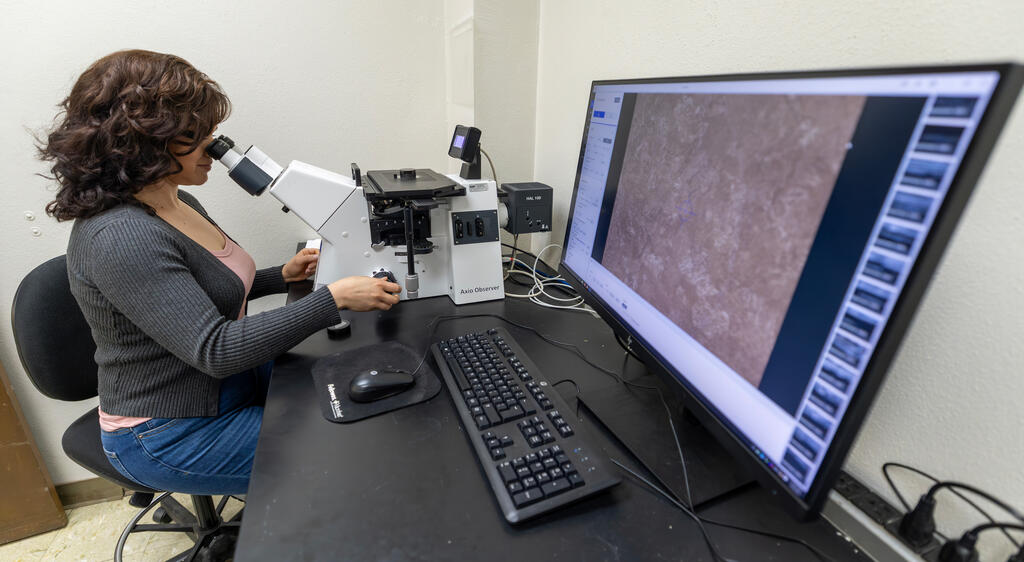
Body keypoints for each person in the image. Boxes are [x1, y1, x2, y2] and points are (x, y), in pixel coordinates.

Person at [38, 49, 402, 496]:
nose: (213, 145)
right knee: (348, 452)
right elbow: (215, 348)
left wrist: (280, 276)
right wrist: (332, 300)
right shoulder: (120, 235)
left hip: (228, 386)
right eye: (196, 134)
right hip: (169, 430)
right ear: (146, 140)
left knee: (359, 385)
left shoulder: (175, 199)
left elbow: (201, 288)